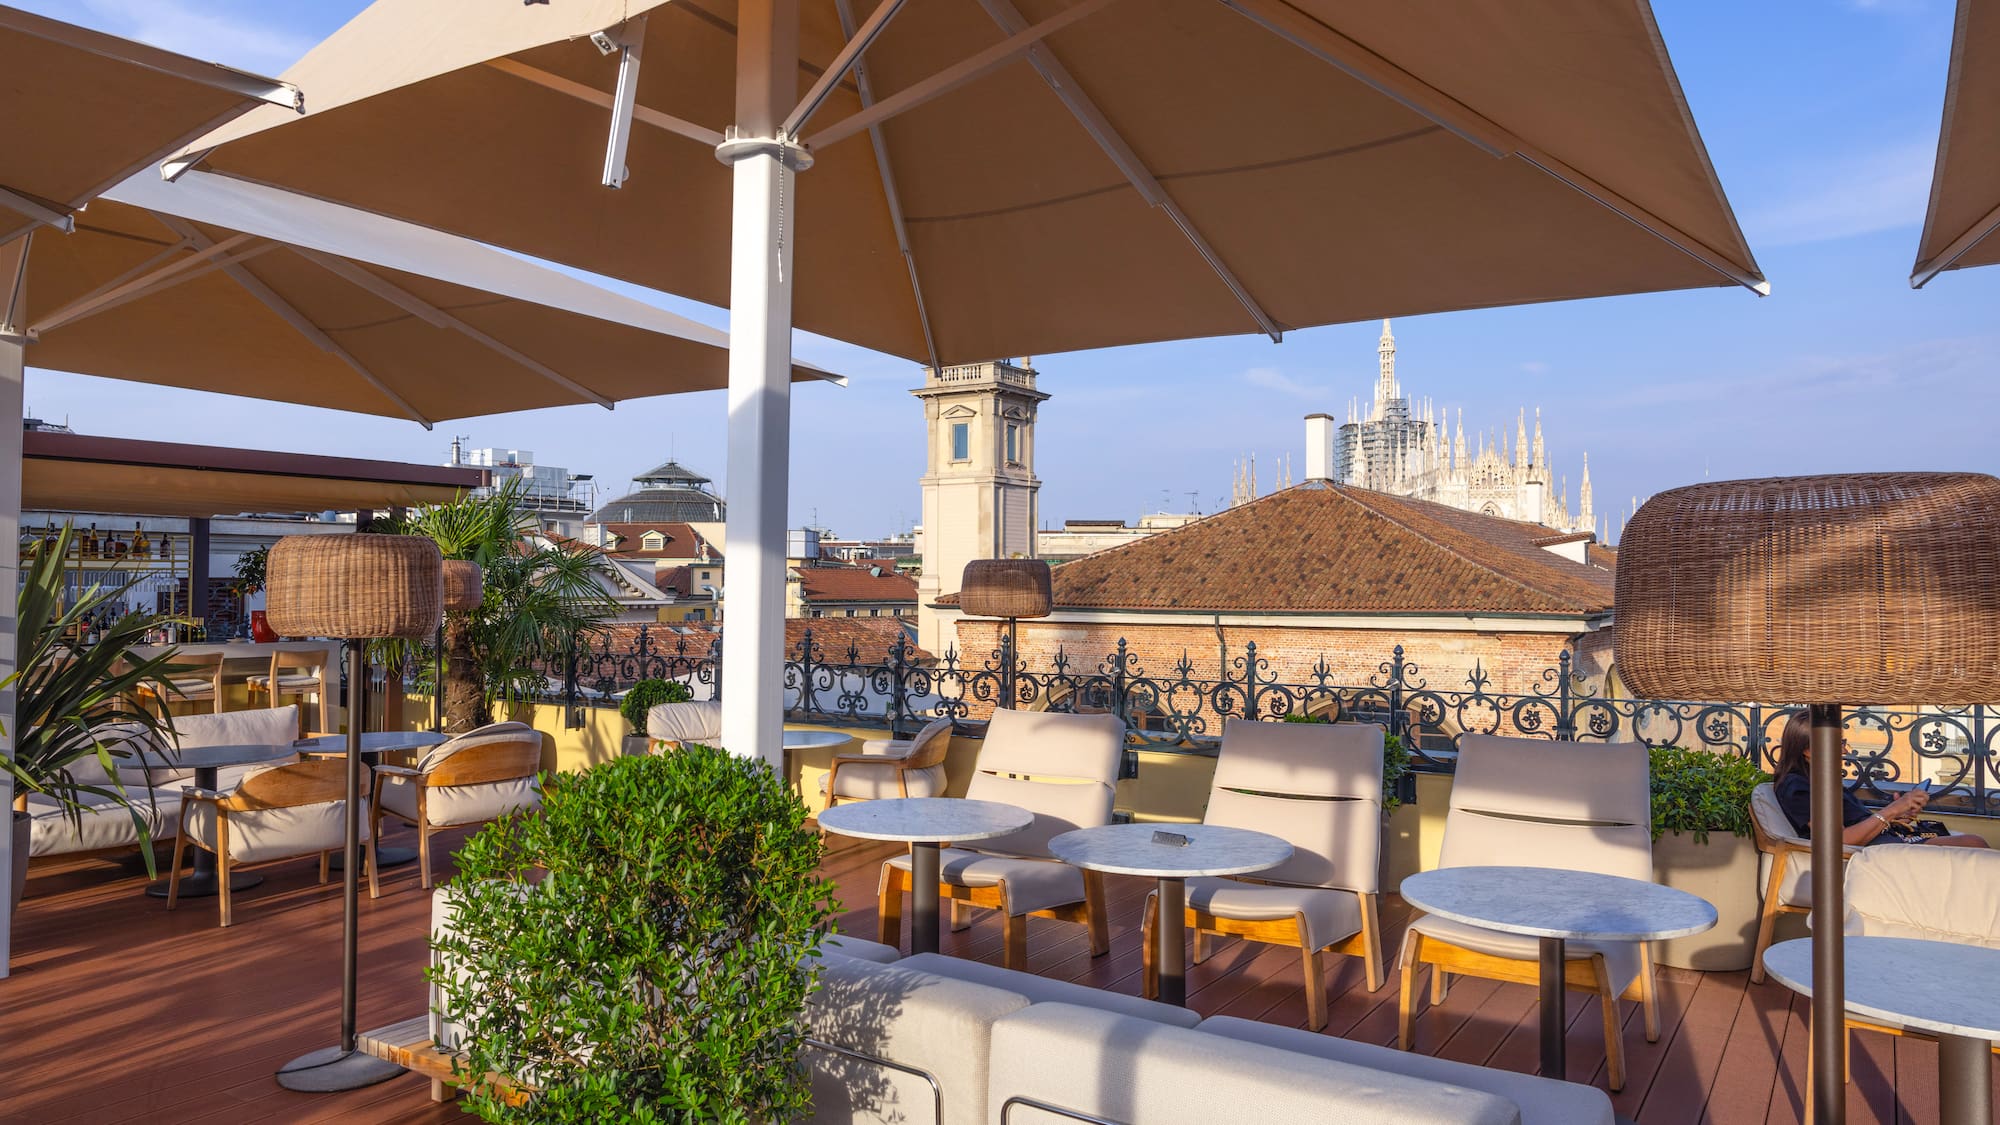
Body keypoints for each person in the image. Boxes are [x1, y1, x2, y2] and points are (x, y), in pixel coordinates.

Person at [1771, 711, 1988, 848]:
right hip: (1875, 855)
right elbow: (1839, 842)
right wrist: (1891, 811)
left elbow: (1857, 824)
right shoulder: (1797, 788)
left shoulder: (1824, 782)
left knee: (1974, 844)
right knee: (1973, 844)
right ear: (1808, 750)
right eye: (1838, 744)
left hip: (1886, 842)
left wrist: (1897, 813)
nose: (1845, 750)